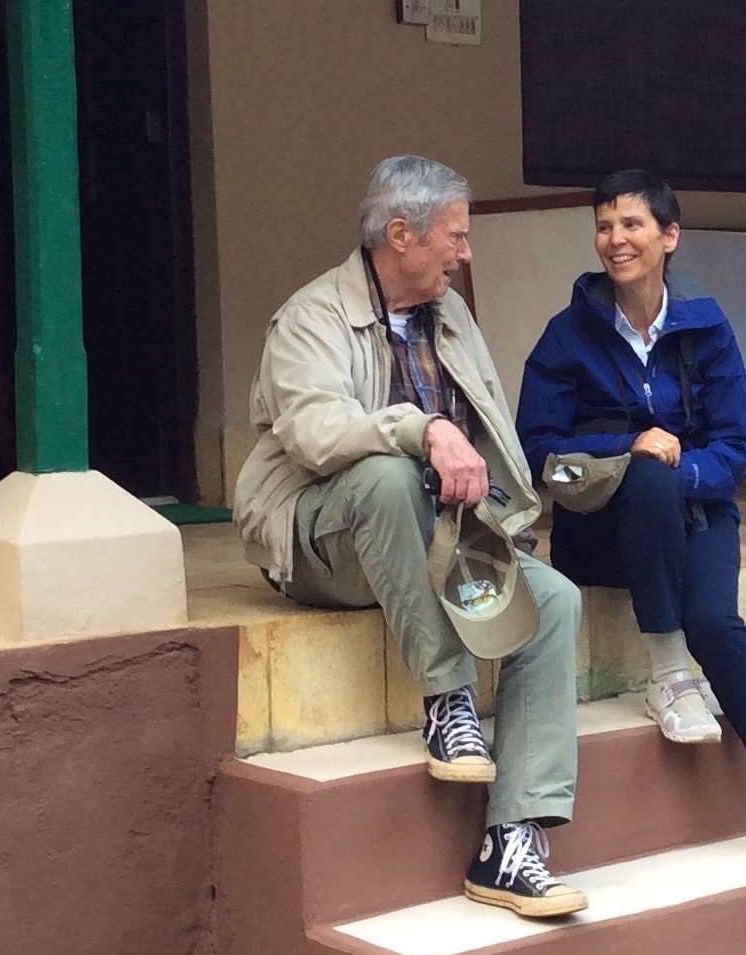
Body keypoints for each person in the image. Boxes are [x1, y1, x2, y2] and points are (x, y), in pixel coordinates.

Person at [234, 155, 587, 916]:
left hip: (435, 536)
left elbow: (489, 434)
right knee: (388, 480)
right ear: (402, 234)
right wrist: (421, 429)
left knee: (555, 601)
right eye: (455, 236)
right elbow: (317, 437)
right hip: (321, 541)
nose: (466, 253)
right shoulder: (312, 317)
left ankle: (512, 841)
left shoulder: (450, 315)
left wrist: (510, 527)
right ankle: (447, 702)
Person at [515, 169, 746, 865]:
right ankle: (667, 673)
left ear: (669, 236)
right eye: (604, 226)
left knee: (717, 623)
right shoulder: (567, 335)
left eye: (632, 224)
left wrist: (680, 472)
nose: (615, 239)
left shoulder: (706, 327)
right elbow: (538, 453)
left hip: (696, 514)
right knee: (644, 472)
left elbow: (737, 443)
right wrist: (625, 449)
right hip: (599, 529)